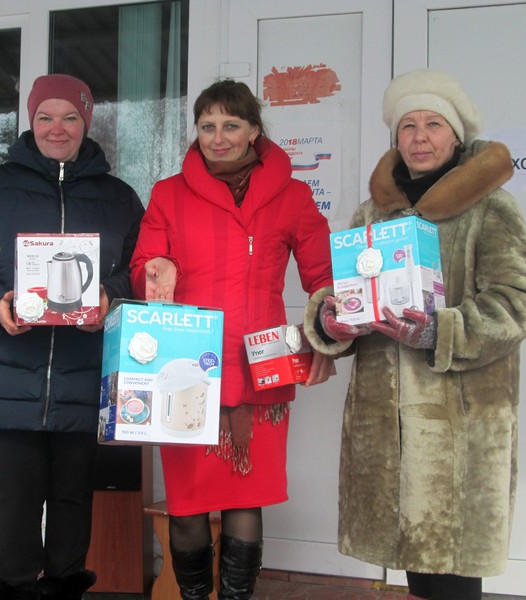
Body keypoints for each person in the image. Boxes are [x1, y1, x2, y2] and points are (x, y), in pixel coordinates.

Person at [303, 69, 526, 600]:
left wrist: (441, 330)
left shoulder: (490, 207)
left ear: (456, 136)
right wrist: (331, 321)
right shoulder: (371, 214)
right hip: (385, 424)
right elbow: (344, 295)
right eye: (408, 126)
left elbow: (517, 303)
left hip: (461, 421)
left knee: (453, 570)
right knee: (415, 566)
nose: (419, 137)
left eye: (434, 124)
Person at [0, 73, 144, 600]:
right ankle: (16, 586)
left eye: (70, 117)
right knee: (19, 496)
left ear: (86, 123)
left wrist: (110, 298)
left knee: (74, 495)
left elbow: (141, 268)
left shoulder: (118, 198)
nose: (57, 128)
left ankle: (66, 586)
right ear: (31, 121)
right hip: (7, 371)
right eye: (45, 117)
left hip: (85, 370)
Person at [129, 79, 335, 600]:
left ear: (254, 131)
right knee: (187, 505)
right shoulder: (168, 194)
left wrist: (328, 333)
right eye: (207, 126)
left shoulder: (292, 197)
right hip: (185, 368)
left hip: (261, 366)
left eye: (231, 125)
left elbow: (323, 276)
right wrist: (152, 271)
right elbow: (144, 265)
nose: (218, 138)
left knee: (246, 499)